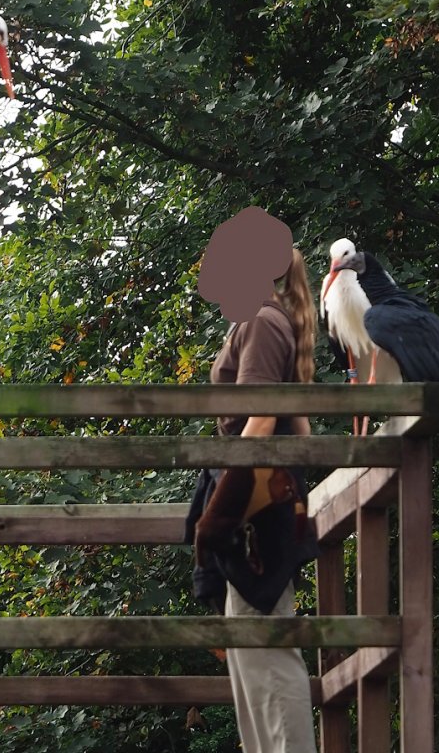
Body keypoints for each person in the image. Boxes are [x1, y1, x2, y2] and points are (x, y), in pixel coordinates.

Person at [191, 208, 319, 753]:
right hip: (258, 499)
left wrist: (224, 509)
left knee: (264, 648)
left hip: (254, 504)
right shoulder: (262, 318)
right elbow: (302, 425)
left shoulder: (262, 321)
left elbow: (263, 420)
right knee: (249, 651)